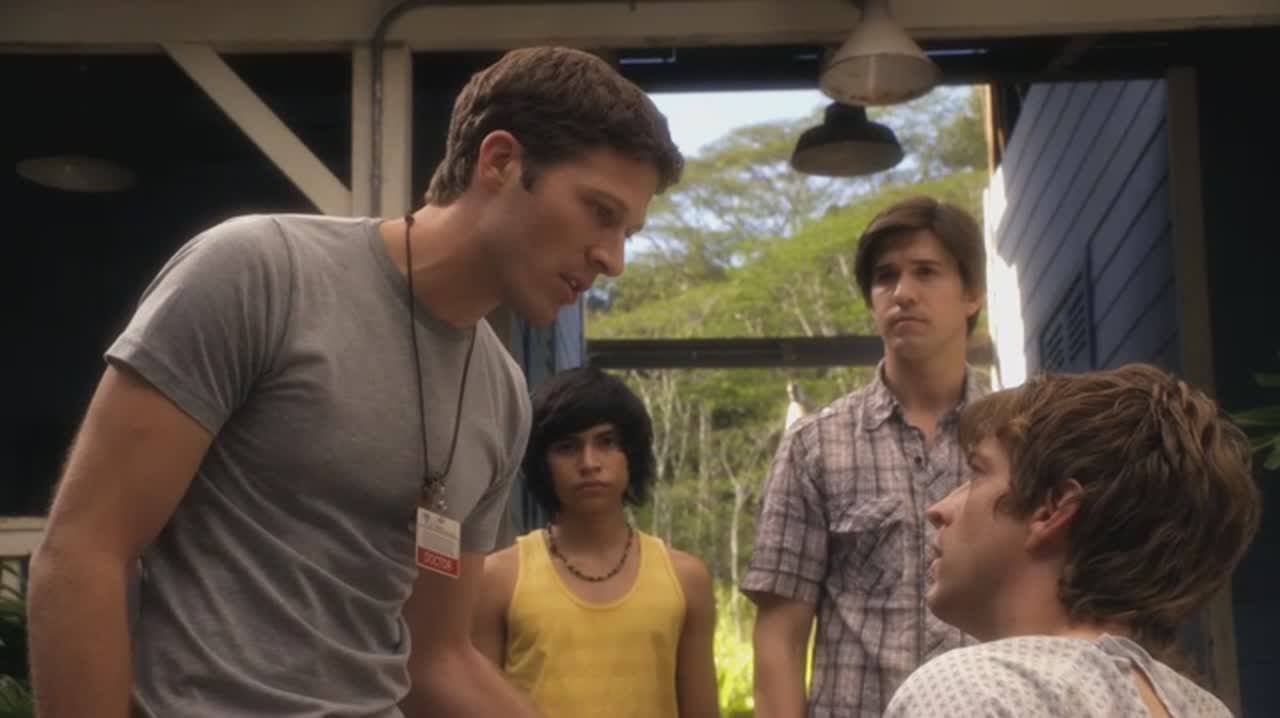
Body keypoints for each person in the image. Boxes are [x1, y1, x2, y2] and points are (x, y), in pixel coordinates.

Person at [27, 46, 683, 718]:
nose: (613, 259)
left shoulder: (503, 396)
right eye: (600, 211)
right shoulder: (263, 273)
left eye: (627, 233)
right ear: (500, 162)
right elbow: (84, 554)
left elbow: (437, 659)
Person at [885, 364, 1261, 717]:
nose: (939, 509)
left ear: (1051, 511)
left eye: (978, 474)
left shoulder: (977, 690)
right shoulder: (1206, 709)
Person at [742, 196, 988, 717]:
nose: (903, 293)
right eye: (885, 277)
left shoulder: (1019, 439)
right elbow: (780, 635)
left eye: (926, 272)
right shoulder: (815, 446)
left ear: (972, 295)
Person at [473, 367, 720, 717]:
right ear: (543, 464)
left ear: (631, 455)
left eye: (606, 442)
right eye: (567, 447)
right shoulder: (499, 578)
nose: (589, 463)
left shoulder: (685, 579)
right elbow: (473, 704)